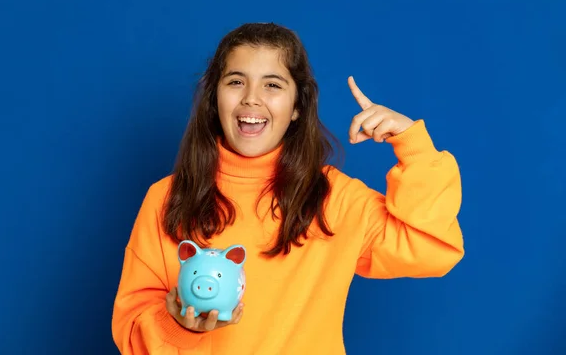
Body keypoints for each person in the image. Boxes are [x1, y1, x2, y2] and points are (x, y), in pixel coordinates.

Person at [111, 22, 465, 354]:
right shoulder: (167, 198)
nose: (251, 98)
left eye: (273, 84)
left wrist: (413, 147)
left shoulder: (335, 199)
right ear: (214, 99)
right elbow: (131, 333)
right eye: (235, 81)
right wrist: (178, 327)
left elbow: (432, 249)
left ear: (297, 107)